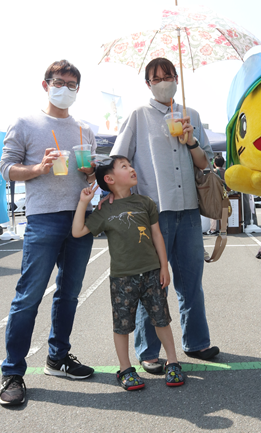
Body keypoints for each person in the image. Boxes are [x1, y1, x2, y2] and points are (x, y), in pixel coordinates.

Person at [109, 57, 219, 374]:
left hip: (188, 211)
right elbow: (119, 159)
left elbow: (205, 164)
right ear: (148, 83)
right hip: (152, 214)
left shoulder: (191, 115)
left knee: (191, 281)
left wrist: (191, 140)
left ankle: (197, 341)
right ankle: (148, 350)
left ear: (176, 78)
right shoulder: (137, 115)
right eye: (157, 77)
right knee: (152, 284)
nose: (164, 81)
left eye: (169, 75)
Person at [0, 60, 96, 406]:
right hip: (42, 219)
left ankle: (58, 358)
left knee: (69, 294)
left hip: (79, 219)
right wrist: (39, 168)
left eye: (73, 85)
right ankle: (12, 372)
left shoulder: (85, 129)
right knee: (28, 296)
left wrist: (90, 174)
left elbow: (88, 174)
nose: (66, 89)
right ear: (46, 84)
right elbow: (7, 168)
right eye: (60, 82)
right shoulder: (25, 123)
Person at [72, 155, 185, 389]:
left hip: (153, 273)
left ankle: (172, 362)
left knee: (162, 319)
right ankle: (125, 369)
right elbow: (78, 231)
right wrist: (84, 202)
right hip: (122, 278)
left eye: (131, 165)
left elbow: (157, 236)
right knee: (122, 325)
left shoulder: (145, 202)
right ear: (109, 178)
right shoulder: (105, 210)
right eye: (125, 166)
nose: (132, 169)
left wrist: (164, 266)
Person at [206, 155, 228, 235]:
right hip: (224, 194)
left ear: (214, 163)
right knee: (224, 212)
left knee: (214, 212)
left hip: (215, 194)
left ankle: (213, 229)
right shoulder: (226, 171)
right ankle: (223, 229)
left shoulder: (213, 171)